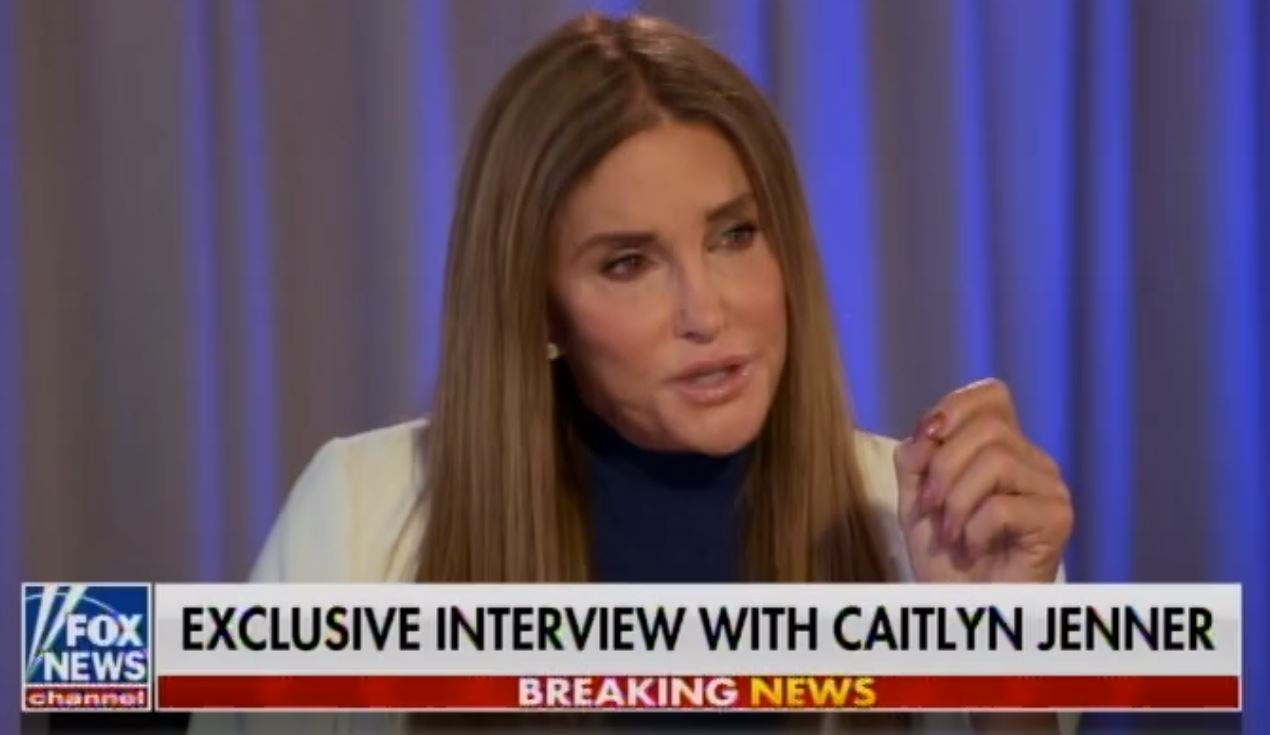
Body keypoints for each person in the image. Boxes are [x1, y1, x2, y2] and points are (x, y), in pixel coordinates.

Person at [191, 12, 1073, 735]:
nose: (705, 312)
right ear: (539, 307)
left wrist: (1003, 679)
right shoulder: (356, 517)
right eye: (628, 263)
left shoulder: (930, 528)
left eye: (735, 235)